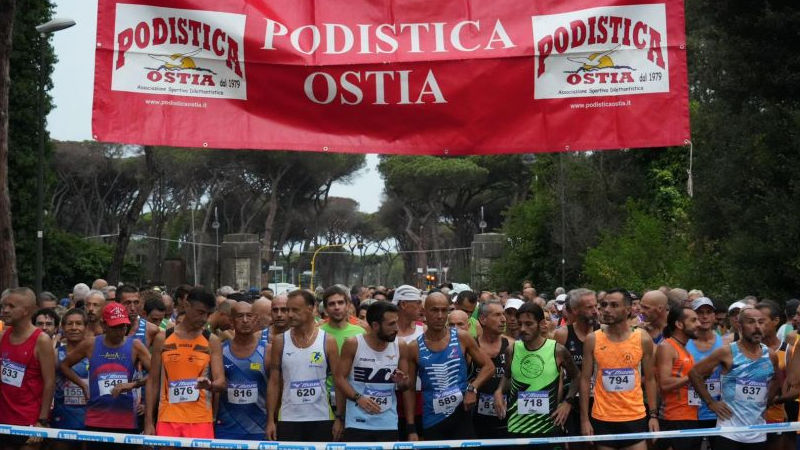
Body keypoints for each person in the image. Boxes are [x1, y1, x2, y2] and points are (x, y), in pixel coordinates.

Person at [406, 292, 495, 441]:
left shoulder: (461, 337)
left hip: (461, 416)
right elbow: (409, 390)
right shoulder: (413, 347)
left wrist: (472, 388)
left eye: (444, 310)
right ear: (424, 312)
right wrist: (411, 428)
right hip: (432, 420)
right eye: (434, 310)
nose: (440, 316)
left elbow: (489, 367)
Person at [689, 307, 780, 449]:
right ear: (740, 326)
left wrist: (767, 400)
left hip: (758, 432)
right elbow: (694, 373)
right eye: (751, 322)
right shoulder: (727, 352)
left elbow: (776, 379)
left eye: (761, 322)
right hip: (728, 432)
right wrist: (711, 402)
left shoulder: (770, 355)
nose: (757, 327)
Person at [580, 289, 658, 450]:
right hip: (603, 417)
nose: (607, 310)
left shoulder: (642, 338)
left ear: (628, 310)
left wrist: (653, 415)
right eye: (604, 305)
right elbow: (585, 380)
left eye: (614, 305)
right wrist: (584, 420)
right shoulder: (592, 339)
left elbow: (650, 379)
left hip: (635, 416)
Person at [60, 303, 150, 439]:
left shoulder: (135, 345)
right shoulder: (91, 344)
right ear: (104, 325)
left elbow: (156, 373)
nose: (120, 331)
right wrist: (83, 385)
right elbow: (64, 365)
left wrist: (133, 385)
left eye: (123, 326)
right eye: (115, 327)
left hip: (125, 418)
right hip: (96, 418)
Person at [145, 288, 226, 438]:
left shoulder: (212, 341)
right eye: (200, 312)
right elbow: (153, 381)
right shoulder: (163, 338)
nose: (204, 319)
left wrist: (210, 385)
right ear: (187, 306)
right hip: (167, 418)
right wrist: (149, 421)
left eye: (208, 314)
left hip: (200, 419)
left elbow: (221, 382)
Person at [497, 303, 577, 448]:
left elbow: (577, 377)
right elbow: (507, 375)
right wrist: (498, 391)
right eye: (520, 324)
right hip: (517, 426)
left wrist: (568, 402)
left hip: (548, 427)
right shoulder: (512, 350)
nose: (523, 329)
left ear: (541, 324)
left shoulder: (557, 350)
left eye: (528, 324)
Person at [266, 290, 341, 442]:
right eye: (288, 310)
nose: (290, 315)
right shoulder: (280, 341)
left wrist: (340, 418)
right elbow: (274, 382)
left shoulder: (328, 340)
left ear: (311, 308)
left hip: (321, 417)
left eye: (295, 310)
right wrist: (270, 420)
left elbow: (338, 381)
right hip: (289, 418)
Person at [334, 301, 411, 441]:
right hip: (357, 422)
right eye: (391, 324)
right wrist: (358, 398)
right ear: (375, 325)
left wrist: (403, 381)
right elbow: (339, 378)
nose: (396, 328)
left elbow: (405, 386)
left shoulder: (400, 345)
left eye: (396, 323)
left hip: (387, 422)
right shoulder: (353, 343)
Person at [0, 287, 55, 448]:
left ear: (26, 310)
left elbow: (50, 382)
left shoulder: (41, 340)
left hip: (29, 421)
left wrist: (42, 421)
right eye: (3, 306)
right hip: (4, 420)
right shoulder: (3, 336)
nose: (5, 310)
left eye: (11, 306)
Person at [215, 301, 269, 440]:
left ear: (255, 320)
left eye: (249, 316)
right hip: (227, 428)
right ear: (231, 321)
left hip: (259, 428)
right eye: (239, 316)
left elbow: (275, 387)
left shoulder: (267, 350)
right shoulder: (220, 350)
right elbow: (216, 390)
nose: (245, 320)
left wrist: (271, 421)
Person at [554, 288, 598, 444]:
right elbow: (557, 373)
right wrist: (560, 403)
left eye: (596, 306)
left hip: (599, 402)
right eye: (589, 307)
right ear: (574, 310)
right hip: (571, 400)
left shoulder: (603, 332)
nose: (595, 311)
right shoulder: (562, 334)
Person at [655, 305, 702, 450]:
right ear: (679, 324)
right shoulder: (667, 347)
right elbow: (664, 384)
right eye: (693, 320)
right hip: (674, 419)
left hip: (691, 416)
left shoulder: (685, 349)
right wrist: (694, 376)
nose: (698, 324)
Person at [471, 300, 513, 440]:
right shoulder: (471, 347)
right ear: (483, 319)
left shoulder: (512, 345)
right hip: (476, 419)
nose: (503, 319)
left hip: (507, 418)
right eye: (497, 315)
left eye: (503, 314)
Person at [685, 297, 724, 434]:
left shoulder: (724, 343)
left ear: (714, 316)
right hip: (689, 411)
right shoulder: (684, 343)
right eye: (700, 312)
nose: (705, 316)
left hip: (718, 412)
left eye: (708, 312)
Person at [392, 284, 425, 439]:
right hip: (391, 396)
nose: (421, 307)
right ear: (403, 304)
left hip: (418, 396)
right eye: (417, 303)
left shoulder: (423, 330)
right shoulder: (385, 331)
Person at [51, 309, 91, 434]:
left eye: (78, 323)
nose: (74, 328)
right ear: (63, 328)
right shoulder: (55, 354)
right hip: (62, 415)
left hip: (90, 415)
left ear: (86, 327)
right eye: (69, 324)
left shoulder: (95, 353)